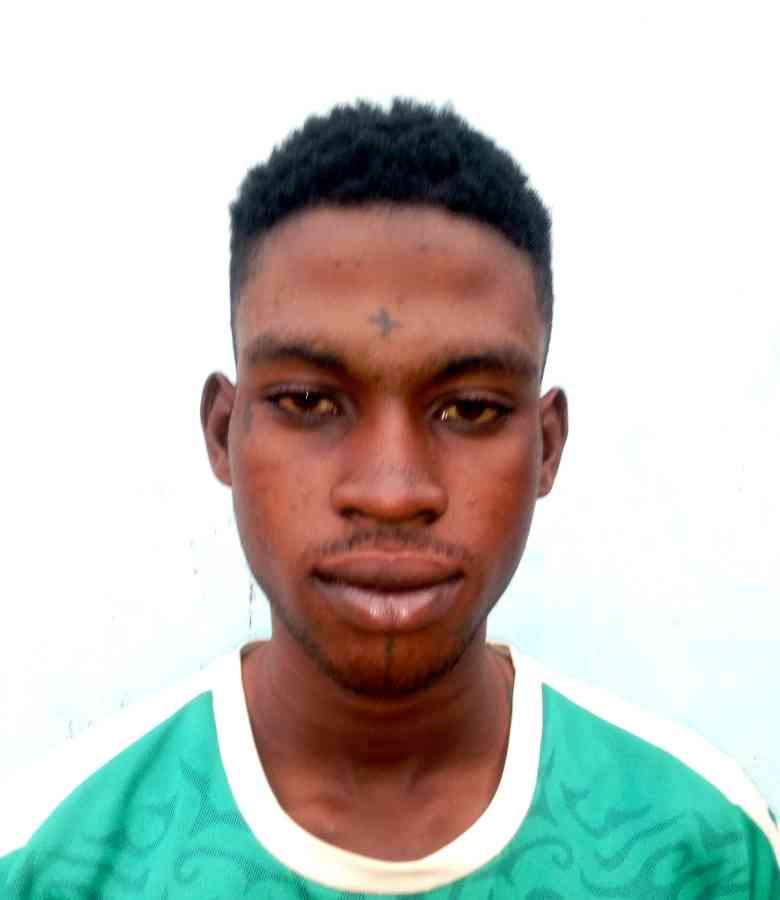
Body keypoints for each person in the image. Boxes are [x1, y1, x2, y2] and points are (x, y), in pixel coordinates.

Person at [1, 99, 777, 899]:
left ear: (546, 448)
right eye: (309, 402)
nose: (392, 492)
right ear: (223, 433)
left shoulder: (709, 852)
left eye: (469, 409)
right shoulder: (46, 865)